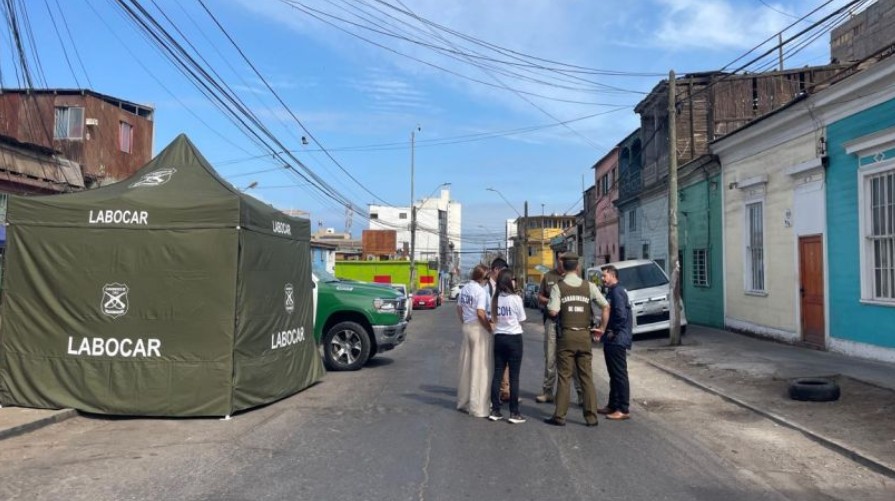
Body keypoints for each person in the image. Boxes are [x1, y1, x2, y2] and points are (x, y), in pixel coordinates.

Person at [544, 252, 609, 427]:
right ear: (578, 267)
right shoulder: (589, 287)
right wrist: (601, 329)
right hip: (584, 336)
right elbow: (605, 306)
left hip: (566, 336)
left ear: (564, 267)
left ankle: (560, 416)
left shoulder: (559, 287)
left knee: (564, 376)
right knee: (586, 376)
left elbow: (553, 312)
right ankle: (591, 417)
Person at [535, 254, 583, 406]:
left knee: (574, 360)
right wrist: (552, 301)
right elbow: (540, 296)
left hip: (570, 322)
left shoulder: (575, 277)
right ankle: (547, 391)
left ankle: (581, 394)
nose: (563, 262)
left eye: (565, 260)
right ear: (557, 260)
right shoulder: (549, 276)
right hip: (553, 321)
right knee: (550, 359)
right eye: (561, 259)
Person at [488, 268, 527, 424]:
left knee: (497, 374)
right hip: (514, 338)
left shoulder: (495, 298)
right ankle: (514, 412)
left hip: (499, 337)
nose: (514, 281)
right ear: (508, 281)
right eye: (512, 279)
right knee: (514, 377)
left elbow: (492, 318)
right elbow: (522, 318)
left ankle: (495, 410)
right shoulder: (515, 299)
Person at [456, 264, 493, 418]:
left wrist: (464, 322)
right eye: (487, 278)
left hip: (467, 327)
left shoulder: (464, 289)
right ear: (482, 278)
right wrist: (489, 328)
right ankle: (477, 406)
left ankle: (463, 401)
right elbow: (480, 313)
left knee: (466, 366)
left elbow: (459, 308)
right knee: (480, 368)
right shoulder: (480, 291)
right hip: (478, 329)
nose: (488, 281)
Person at [597, 265, 633, 420]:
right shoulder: (613, 291)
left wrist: (613, 331)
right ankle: (613, 404)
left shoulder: (617, 292)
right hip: (612, 339)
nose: (602, 279)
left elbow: (620, 315)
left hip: (617, 340)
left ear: (612, 275)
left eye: (604, 276)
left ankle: (623, 409)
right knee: (613, 374)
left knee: (619, 375)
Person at [485, 257, 511, 402]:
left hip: (502, 330)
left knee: (503, 361)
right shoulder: (487, 287)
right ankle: (496, 392)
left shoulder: (501, 286)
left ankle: (505, 391)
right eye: (503, 271)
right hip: (490, 328)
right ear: (496, 270)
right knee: (493, 362)